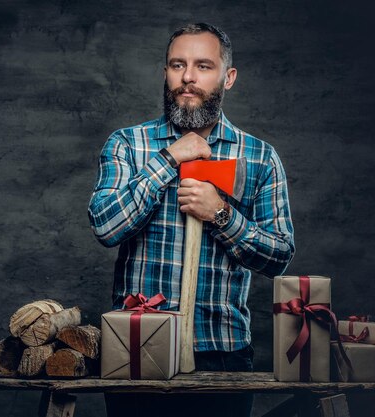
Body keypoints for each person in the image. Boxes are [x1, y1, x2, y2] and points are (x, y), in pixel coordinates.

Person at [88, 23, 295, 417]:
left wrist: (221, 214)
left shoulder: (260, 157)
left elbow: (279, 255)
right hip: (138, 346)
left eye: (203, 66)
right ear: (164, 72)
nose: (187, 77)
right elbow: (106, 226)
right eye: (177, 65)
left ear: (227, 77)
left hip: (222, 351)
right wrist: (168, 161)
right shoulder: (128, 145)